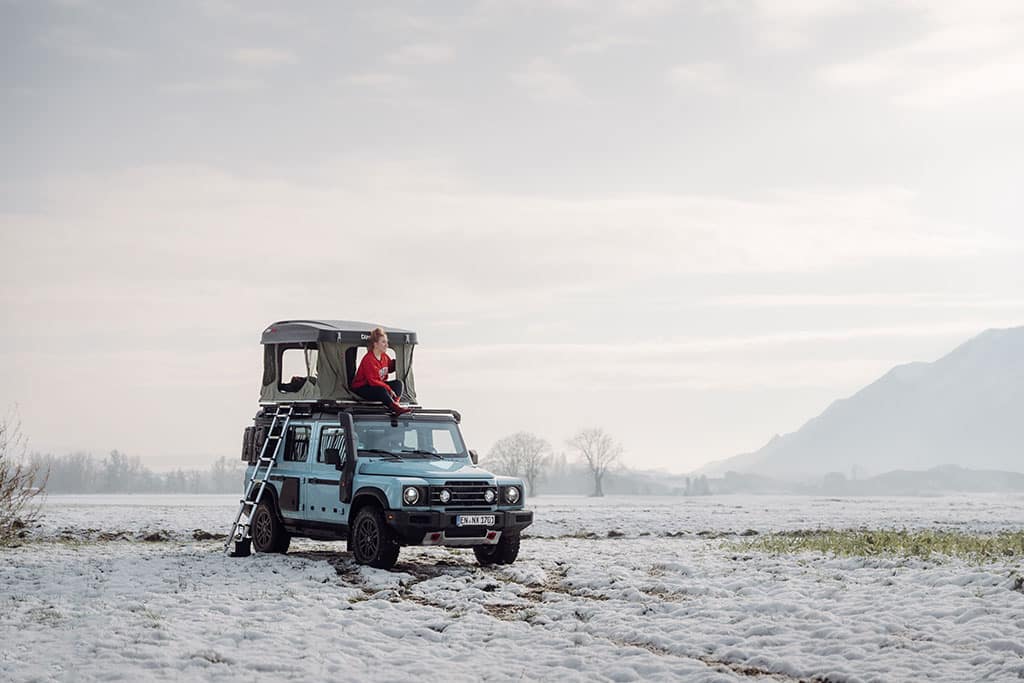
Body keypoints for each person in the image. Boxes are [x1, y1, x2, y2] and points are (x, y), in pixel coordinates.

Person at [350, 327, 411, 415]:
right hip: (363, 387)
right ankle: (393, 406)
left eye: (386, 342)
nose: (386, 345)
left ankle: (395, 403)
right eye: (383, 342)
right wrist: (389, 389)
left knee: (398, 383)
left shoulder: (384, 357)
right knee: (381, 390)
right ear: (375, 344)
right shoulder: (368, 359)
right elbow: (373, 381)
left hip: (378, 385)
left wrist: (400, 361)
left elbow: (389, 367)